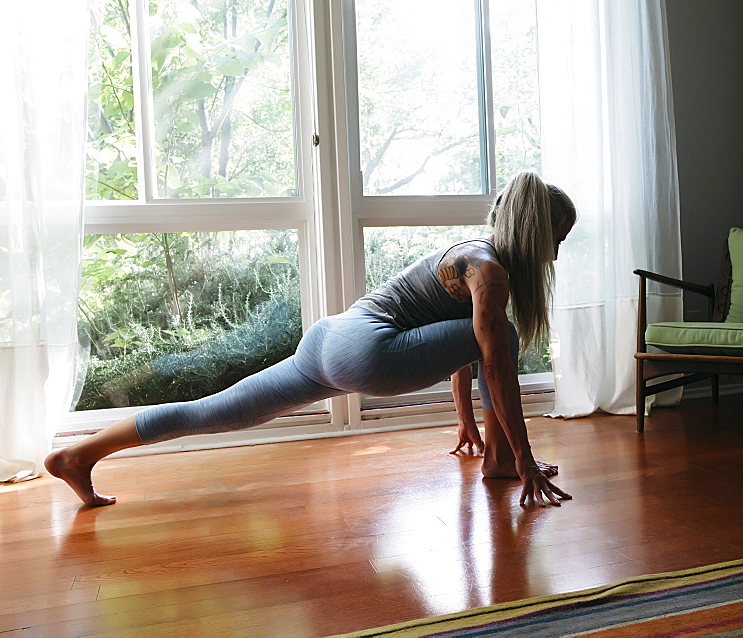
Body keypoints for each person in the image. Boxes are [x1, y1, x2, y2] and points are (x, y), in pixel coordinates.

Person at [47, 171, 577, 509]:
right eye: (558, 237)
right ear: (537, 230)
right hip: (370, 353)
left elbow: (457, 343)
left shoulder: (471, 255)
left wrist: (464, 418)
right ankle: (504, 464)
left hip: (328, 340)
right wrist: (524, 457)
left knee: (215, 411)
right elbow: (492, 362)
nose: (557, 251)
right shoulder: (492, 275)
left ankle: (79, 455)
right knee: (502, 338)